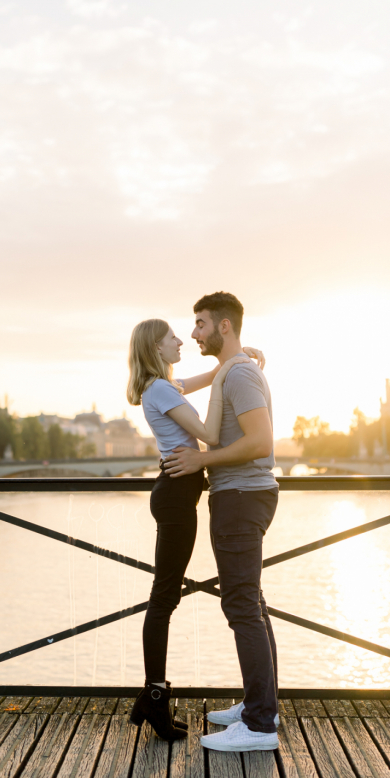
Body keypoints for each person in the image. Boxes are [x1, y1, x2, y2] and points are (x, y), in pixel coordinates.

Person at [126, 318, 265, 741]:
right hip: (175, 499)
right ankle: (153, 697)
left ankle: (154, 696)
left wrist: (231, 362)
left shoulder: (162, 385)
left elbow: (201, 378)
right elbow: (207, 434)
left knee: (164, 596)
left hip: (176, 495)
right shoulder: (163, 389)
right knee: (164, 597)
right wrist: (229, 374)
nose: (181, 339)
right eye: (171, 337)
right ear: (155, 346)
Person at [163, 292, 279, 753]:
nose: (193, 334)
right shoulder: (233, 371)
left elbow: (260, 442)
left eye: (200, 324)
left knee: (241, 608)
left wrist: (201, 459)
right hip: (239, 496)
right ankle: (260, 703)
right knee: (251, 602)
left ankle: (259, 725)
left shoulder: (242, 374)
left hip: (240, 497)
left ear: (224, 326)